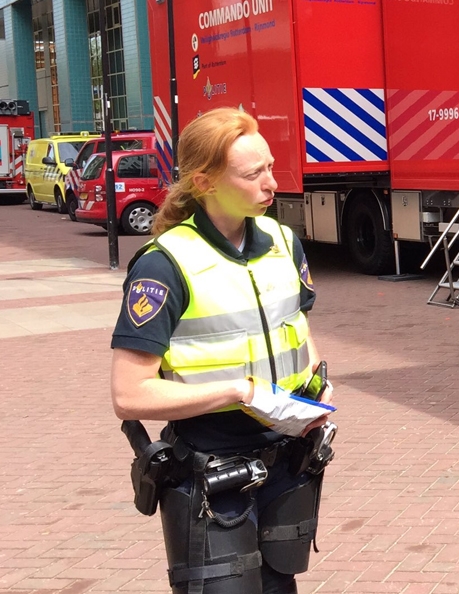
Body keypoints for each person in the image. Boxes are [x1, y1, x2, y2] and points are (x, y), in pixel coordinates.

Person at [111, 107, 332, 594]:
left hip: (287, 465)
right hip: (212, 476)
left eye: (271, 166)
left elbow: (298, 326)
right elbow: (130, 396)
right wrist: (238, 391)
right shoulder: (164, 265)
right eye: (254, 174)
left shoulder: (283, 240)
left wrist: (314, 385)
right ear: (205, 182)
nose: (272, 183)